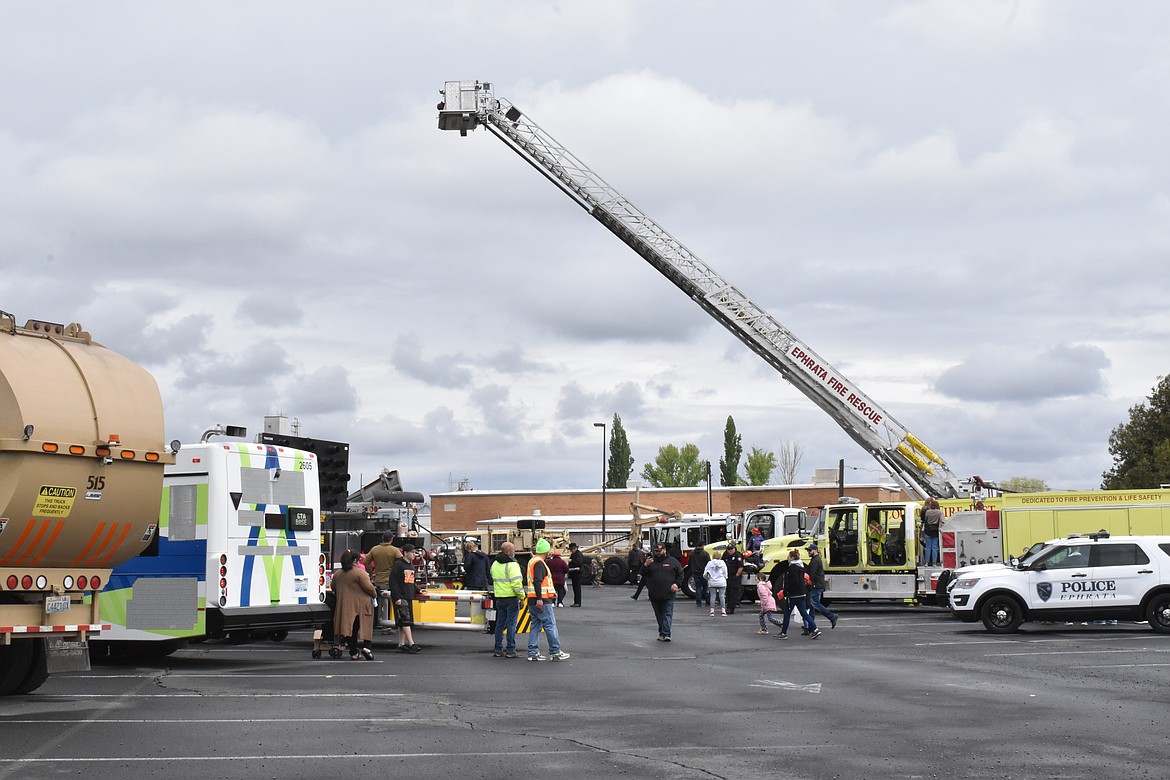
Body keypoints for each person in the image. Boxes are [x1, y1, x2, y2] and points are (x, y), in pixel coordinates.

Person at [526, 539, 570, 661]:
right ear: (546, 550)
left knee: (535, 625)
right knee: (550, 624)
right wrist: (540, 598)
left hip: (532, 599)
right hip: (542, 600)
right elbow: (538, 581)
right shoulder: (539, 563)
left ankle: (533, 652)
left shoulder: (532, 561)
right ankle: (555, 651)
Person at [632, 543, 684, 640]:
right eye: (656, 551)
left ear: (664, 550)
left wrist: (677, 584)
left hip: (669, 593)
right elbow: (641, 573)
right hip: (654, 594)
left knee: (667, 613)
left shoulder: (673, 561)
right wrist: (645, 565)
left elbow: (680, 574)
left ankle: (666, 633)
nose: (658, 553)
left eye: (660, 551)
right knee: (659, 615)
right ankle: (662, 632)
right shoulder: (650, 562)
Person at [331, 549, 377, 660]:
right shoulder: (360, 573)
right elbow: (369, 588)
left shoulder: (338, 574)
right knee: (367, 625)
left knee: (351, 630)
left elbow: (333, 587)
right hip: (362, 605)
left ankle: (353, 652)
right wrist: (374, 594)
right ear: (355, 560)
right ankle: (366, 647)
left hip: (345, 606)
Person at [490, 541, 525, 657]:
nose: (514, 552)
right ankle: (510, 650)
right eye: (514, 550)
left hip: (499, 598)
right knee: (511, 624)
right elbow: (516, 584)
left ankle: (498, 649)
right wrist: (522, 597)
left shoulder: (495, 564)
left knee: (500, 624)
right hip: (511, 598)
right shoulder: (513, 565)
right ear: (509, 551)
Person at [389, 543, 427, 653]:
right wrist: (396, 597)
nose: (414, 554)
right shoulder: (398, 565)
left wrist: (418, 589)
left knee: (402, 621)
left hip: (408, 595)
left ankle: (401, 644)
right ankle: (411, 643)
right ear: (405, 553)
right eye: (412, 552)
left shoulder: (410, 565)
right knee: (406, 621)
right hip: (401, 596)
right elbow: (393, 581)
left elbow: (411, 581)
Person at [776, 548, 820, 640]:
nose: (787, 558)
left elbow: (792, 582)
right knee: (804, 613)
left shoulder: (792, 568)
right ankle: (815, 629)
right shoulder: (801, 567)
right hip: (802, 593)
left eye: (788, 556)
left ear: (792, 558)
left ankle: (784, 633)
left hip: (793, 595)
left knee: (787, 613)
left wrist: (784, 591)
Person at [805, 542, 838, 629]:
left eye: (810, 550)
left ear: (815, 551)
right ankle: (810, 627)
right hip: (817, 585)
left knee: (815, 604)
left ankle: (832, 616)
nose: (808, 552)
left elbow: (812, 574)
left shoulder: (815, 561)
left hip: (816, 585)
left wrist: (808, 583)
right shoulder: (816, 559)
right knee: (813, 606)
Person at [722, 542, 745, 614]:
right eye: (728, 549)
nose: (729, 550)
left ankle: (731, 608)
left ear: (734, 548)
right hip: (727, 576)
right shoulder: (725, 555)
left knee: (733, 593)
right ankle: (728, 607)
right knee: (728, 593)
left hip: (734, 576)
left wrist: (736, 576)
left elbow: (740, 567)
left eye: (731, 549)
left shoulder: (738, 556)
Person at [702, 553, 728, 617]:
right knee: (722, 596)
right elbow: (725, 572)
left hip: (712, 581)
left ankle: (712, 611)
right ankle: (723, 611)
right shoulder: (723, 563)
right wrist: (725, 577)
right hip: (721, 581)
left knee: (713, 596)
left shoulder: (710, 563)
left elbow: (705, 573)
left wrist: (708, 578)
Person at [687, 543, 711, 608]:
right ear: (702, 546)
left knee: (698, 588)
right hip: (704, 573)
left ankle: (698, 603)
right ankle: (708, 602)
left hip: (695, 573)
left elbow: (689, 563)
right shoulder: (705, 553)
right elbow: (709, 563)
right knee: (706, 588)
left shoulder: (691, 553)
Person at [921, 498, 943, 566]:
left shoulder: (927, 512)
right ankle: (934, 562)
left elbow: (925, 520)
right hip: (935, 530)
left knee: (927, 547)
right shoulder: (940, 512)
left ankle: (927, 562)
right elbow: (942, 521)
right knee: (934, 547)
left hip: (928, 530)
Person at [566, 542, 587, 607]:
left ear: (574, 548)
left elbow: (579, 563)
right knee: (575, 588)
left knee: (577, 588)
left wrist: (571, 561)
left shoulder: (578, 554)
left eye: (571, 549)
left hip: (577, 573)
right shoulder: (574, 554)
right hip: (574, 573)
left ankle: (578, 602)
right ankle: (576, 602)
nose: (570, 551)